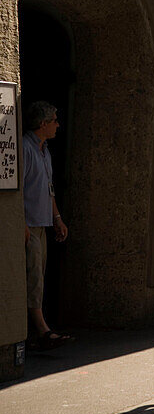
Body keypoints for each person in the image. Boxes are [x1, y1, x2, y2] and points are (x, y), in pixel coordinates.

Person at [22, 101, 69, 349]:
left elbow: (49, 189)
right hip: (29, 224)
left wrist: (57, 218)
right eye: (54, 120)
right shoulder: (25, 148)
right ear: (43, 124)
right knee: (33, 278)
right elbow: (15, 190)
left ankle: (35, 331)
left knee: (38, 275)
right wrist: (21, 223)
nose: (58, 125)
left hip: (42, 222)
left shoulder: (45, 150)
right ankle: (42, 329)